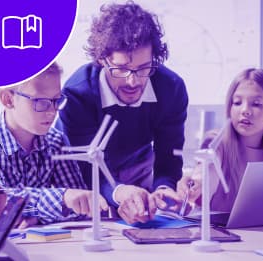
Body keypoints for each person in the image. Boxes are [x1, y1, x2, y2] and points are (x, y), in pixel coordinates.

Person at [56, 1, 188, 224]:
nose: (133, 81)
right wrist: (119, 192)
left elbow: (169, 157)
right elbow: (86, 168)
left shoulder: (171, 88)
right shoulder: (77, 95)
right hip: (82, 172)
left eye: (143, 68)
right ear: (101, 59)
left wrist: (164, 188)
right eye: (121, 69)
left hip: (138, 165)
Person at [0, 63, 108, 228]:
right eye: (41, 101)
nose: (52, 111)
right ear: (8, 99)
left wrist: (38, 217)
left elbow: (81, 204)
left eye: (56, 100)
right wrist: (62, 198)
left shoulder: (55, 141)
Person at [177, 68, 263, 213]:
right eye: (237, 102)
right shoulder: (217, 142)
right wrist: (197, 185)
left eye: (256, 104)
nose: (245, 110)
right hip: (222, 232)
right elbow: (206, 174)